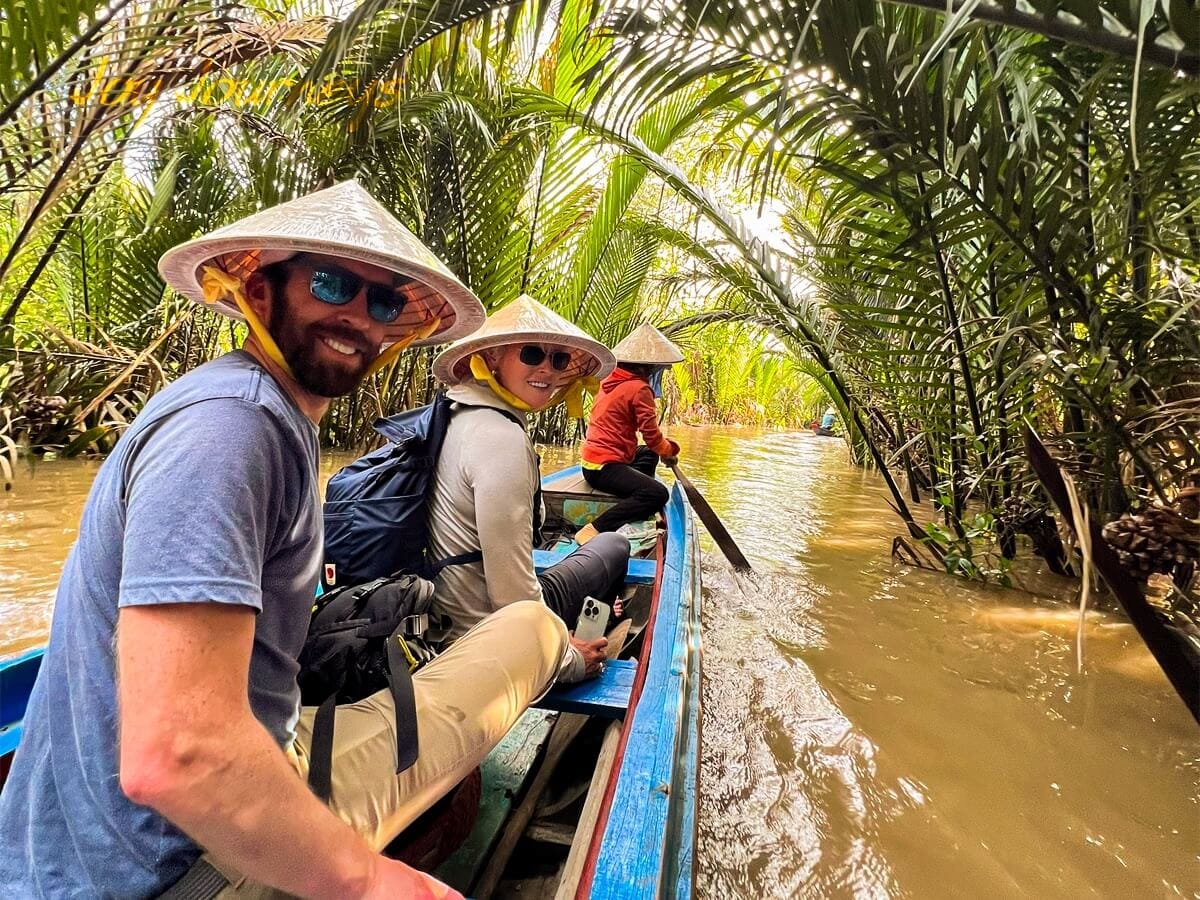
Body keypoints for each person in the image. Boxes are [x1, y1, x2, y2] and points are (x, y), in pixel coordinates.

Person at [0, 181, 568, 900]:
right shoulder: (233, 428)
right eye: (331, 283)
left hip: (106, 846)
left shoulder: (253, 412)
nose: (358, 316)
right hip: (188, 866)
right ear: (259, 288)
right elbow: (176, 756)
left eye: (384, 302)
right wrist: (374, 884)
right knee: (532, 627)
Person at [426, 294, 630, 683]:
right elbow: (514, 600)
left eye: (558, 360)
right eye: (533, 354)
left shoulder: (449, 415)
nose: (548, 371)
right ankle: (586, 642)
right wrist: (568, 663)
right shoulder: (501, 438)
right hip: (485, 636)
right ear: (490, 359)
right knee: (614, 547)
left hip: (440, 619)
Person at [575, 323, 684, 544]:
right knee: (658, 494)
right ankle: (595, 527)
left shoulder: (609, 381)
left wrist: (659, 451)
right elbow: (652, 435)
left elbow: (650, 445)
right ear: (647, 366)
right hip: (604, 467)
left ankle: (636, 497)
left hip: (591, 464)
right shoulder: (639, 389)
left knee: (648, 454)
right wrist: (670, 450)